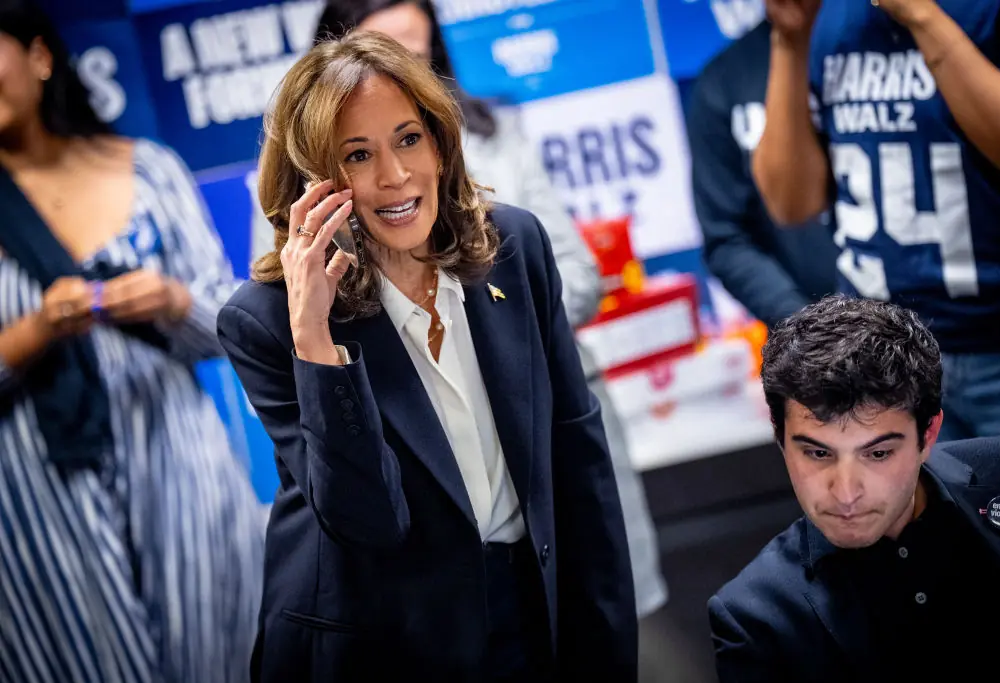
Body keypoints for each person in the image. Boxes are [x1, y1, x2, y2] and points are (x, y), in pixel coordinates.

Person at [217, 32, 637, 682]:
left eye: (409, 139)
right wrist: (315, 338)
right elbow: (367, 523)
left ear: (440, 145)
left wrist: (607, 650)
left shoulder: (515, 246)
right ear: (314, 184)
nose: (394, 175)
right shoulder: (267, 321)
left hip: (527, 604)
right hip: (384, 640)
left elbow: (578, 462)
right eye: (358, 155)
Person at [313, 4, 686, 680]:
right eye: (383, 50)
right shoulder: (311, 202)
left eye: (418, 51)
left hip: (542, 430)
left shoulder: (494, 144)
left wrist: (488, 322)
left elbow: (574, 274)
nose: (405, 69)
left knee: (604, 623)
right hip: (433, 519)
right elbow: (305, 320)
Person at [0, 2, 265, 682]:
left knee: (224, 651)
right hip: (38, 498)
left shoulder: (150, 172)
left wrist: (174, 301)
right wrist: (36, 329)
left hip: (177, 462)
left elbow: (233, 325)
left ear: (39, 56)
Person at [708, 295, 1000, 682]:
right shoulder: (754, 620)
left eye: (878, 454)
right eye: (818, 453)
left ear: (928, 434)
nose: (846, 493)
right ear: (780, 437)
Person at [752, 0, 1000, 439]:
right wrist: (790, 40)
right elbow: (790, 203)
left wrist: (921, 14)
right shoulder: (828, 16)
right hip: (880, 357)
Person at [686, 19, 836, 330]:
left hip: (922, 315)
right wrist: (809, 328)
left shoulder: (885, 39)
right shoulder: (723, 81)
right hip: (813, 334)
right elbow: (727, 238)